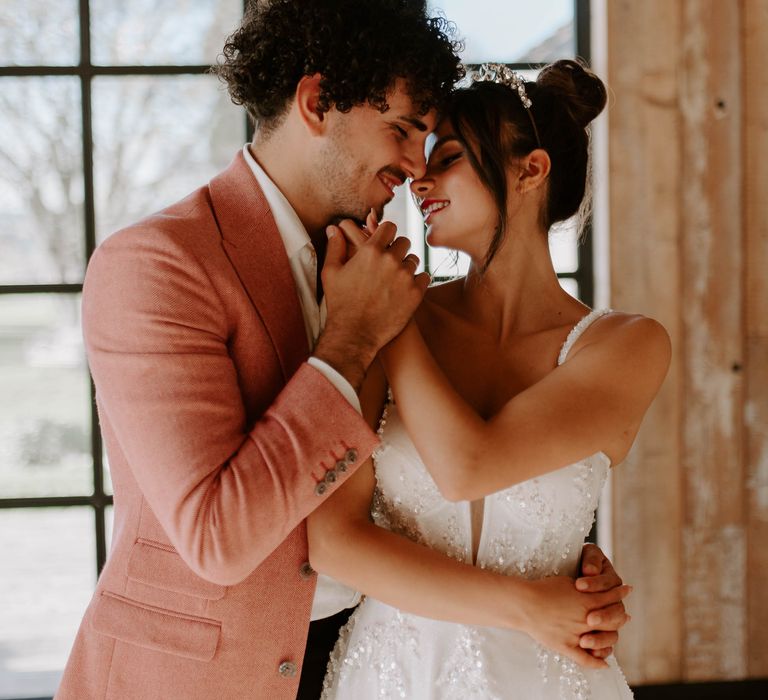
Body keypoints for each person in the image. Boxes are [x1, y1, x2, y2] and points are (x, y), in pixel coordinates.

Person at [310, 60, 670, 699]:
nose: (417, 179)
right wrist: (527, 606)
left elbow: (467, 467)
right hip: (394, 679)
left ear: (530, 170)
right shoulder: (390, 317)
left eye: (444, 157)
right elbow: (334, 543)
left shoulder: (627, 345)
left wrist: (396, 315)